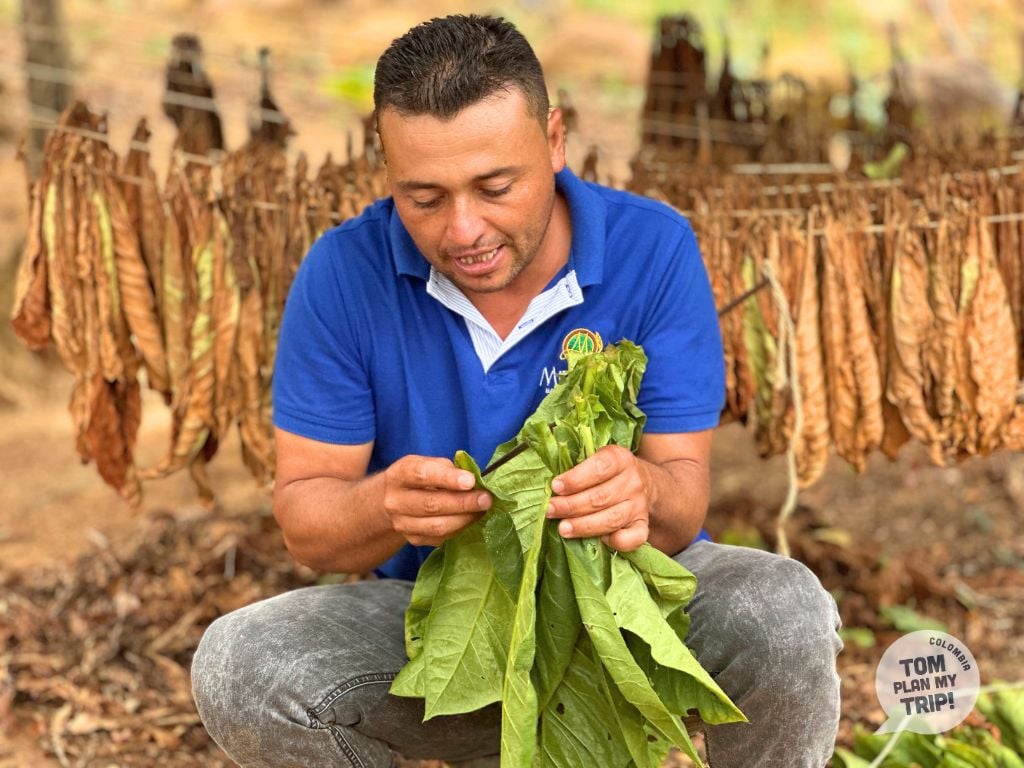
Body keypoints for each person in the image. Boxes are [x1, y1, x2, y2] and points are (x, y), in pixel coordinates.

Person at [191, 14, 842, 768]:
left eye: (495, 187)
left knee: (784, 610)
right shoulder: (343, 274)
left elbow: (684, 499)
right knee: (241, 665)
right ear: (387, 164)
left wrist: (640, 493)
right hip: (443, 636)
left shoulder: (652, 247)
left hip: (629, 619)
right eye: (424, 197)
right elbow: (307, 524)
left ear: (555, 140)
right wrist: (385, 506)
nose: (464, 229)